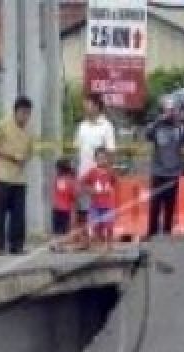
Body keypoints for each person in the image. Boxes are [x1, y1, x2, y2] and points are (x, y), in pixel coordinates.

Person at [0, 96, 34, 255]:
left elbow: (30, 151)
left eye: (28, 114)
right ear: (16, 112)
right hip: (3, 176)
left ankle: (17, 245)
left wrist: (24, 159)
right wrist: (10, 156)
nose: (25, 117)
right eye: (23, 113)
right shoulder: (3, 125)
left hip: (19, 179)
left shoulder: (28, 131)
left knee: (18, 215)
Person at [73, 93, 117, 248]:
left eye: (89, 103)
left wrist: (108, 175)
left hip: (99, 178)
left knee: (100, 209)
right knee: (83, 209)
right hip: (84, 174)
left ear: (97, 106)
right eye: (85, 103)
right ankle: (85, 240)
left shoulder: (106, 126)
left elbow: (111, 152)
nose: (86, 106)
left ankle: (102, 240)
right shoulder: (82, 126)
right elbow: (78, 150)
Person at [144, 95, 184, 238]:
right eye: (167, 110)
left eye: (172, 110)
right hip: (158, 173)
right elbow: (147, 134)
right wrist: (158, 120)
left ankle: (167, 234)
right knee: (155, 206)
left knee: (170, 207)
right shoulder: (156, 126)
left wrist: (178, 119)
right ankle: (151, 234)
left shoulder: (180, 127)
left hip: (173, 174)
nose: (170, 113)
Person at [82, 147, 118, 252]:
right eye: (99, 158)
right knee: (95, 224)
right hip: (95, 205)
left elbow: (115, 181)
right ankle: (98, 243)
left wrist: (112, 173)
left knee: (109, 225)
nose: (102, 160)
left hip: (108, 205)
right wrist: (90, 190)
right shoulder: (92, 171)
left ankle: (110, 244)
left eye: (104, 158)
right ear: (95, 159)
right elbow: (83, 182)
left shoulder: (110, 171)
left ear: (107, 159)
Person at [50, 157, 76, 251]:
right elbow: (73, 194)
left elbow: (55, 191)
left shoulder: (57, 179)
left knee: (56, 228)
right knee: (64, 228)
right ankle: (60, 245)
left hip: (56, 207)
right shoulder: (70, 180)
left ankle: (54, 243)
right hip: (66, 208)